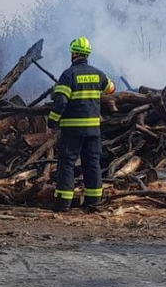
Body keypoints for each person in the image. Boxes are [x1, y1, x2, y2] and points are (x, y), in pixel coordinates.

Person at [48, 36, 116, 212]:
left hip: (72, 129)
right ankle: (94, 202)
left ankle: (63, 203)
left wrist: (52, 121)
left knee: (67, 163)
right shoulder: (98, 73)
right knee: (92, 163)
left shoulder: (68, 75)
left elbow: (60, 102)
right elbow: (111, 88)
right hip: (93, 130)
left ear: (75, 53)